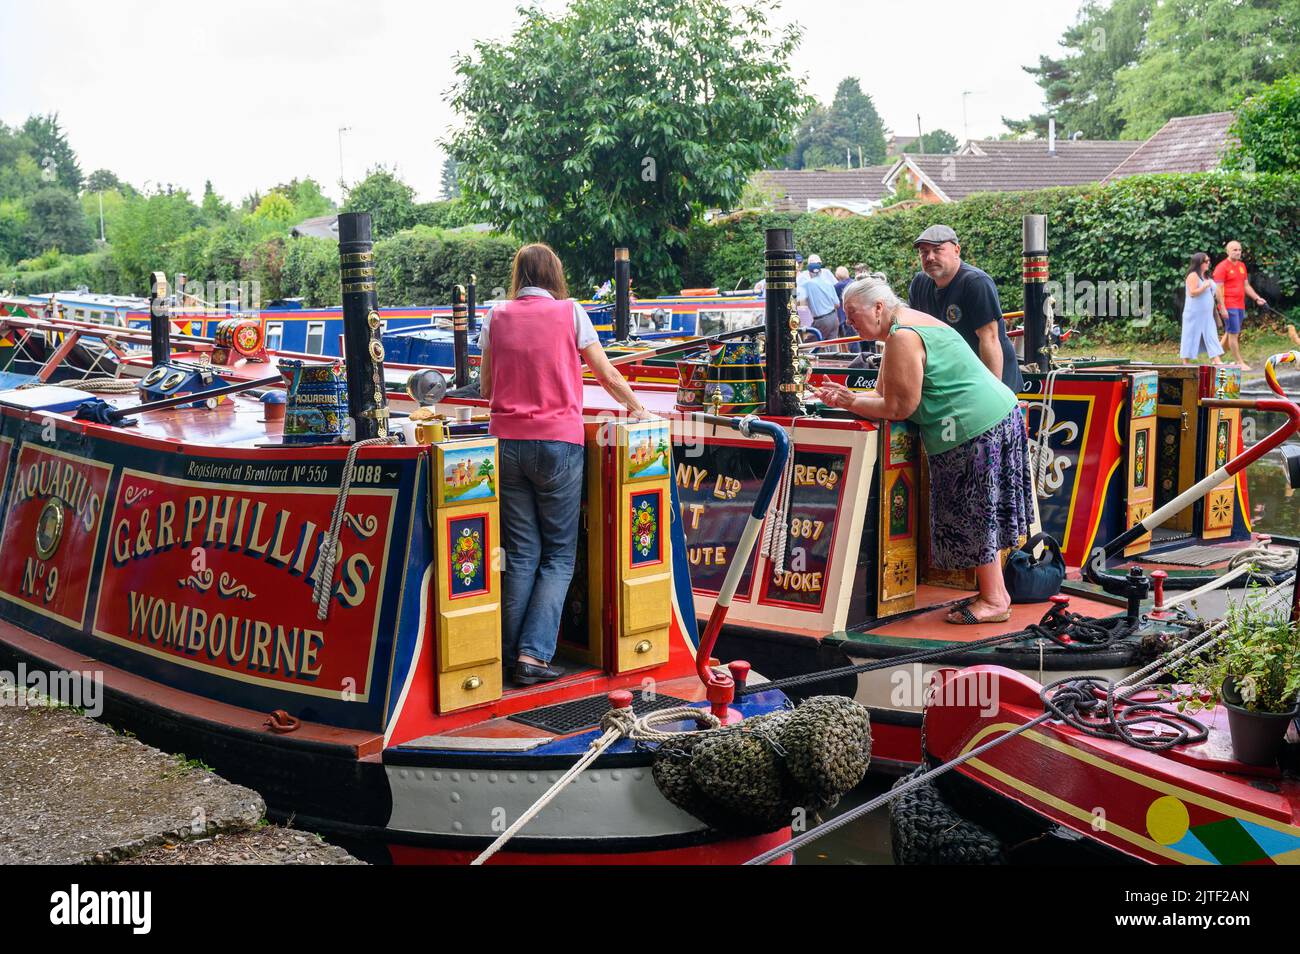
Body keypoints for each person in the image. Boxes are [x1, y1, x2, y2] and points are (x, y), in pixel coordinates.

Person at [478, 243, 651, 685]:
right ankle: (533, 656)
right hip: (558, 443)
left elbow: (485, 385)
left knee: (520, 554)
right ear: (555, 274)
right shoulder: (571, 312)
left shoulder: (494, 316)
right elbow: (606, 374)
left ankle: (503, 654)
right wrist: (640, 411)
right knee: (558, 556)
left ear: (519, 276)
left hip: (505, 445)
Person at [816, 276, 1033, 625]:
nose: (849, 322)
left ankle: (994, 599)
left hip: (974, 425)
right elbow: (882, 393)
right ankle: (994, 594)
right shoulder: (903, 326)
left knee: (974, 511)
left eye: (853, 314)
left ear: (878, 307)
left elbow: (900, 406)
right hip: (993, 416)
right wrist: (843, 398)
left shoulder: (902, 337)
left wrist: (851, 402)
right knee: (980, 510)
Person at [907, 225, 1023, 394]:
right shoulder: (919, 283)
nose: (930, 257)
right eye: (924, 252)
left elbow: (989, 339)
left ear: (957, 250)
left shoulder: (975, 282)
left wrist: (993, 393)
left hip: (992, 379)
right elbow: (913, 335)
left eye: (938, 250)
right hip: (954, 379)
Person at [1213, 240, 1267, 370]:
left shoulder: (1242, 265)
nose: (1238, 252)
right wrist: (1223, 307)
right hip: (1228, 305)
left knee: (1230, 331)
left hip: (1239, 304)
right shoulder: (1222, 267)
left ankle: (1215, 357)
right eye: (1234, 250)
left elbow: (1246, 285)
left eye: (1239, 250)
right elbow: (1218, 289)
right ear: (1227, 251)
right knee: (1233, 333)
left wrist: (1257, 298)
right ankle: (1239, 362)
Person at [1181, 252, 1225, 367]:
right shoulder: (1193, 275)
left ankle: (1217, 360)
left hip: (1206, 314)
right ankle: (1185, 362)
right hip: (1194, 314)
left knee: (1211, 334)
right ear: (1199, 263)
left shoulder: (1206, 276)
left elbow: (1215, 291)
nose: (1208, 263)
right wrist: (1204, 286)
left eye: (1209, 260)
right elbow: (1192, 293)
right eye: (1206, 261)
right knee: (1190, 335)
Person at [798, 253, 841, 343]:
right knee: (832, 347)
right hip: (834, 318)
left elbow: (797, 300)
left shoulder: (806, 285)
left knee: (808, 346)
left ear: (809, 273)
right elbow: (837, 304)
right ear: (820, 271)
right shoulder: (829, 283)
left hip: (821, 320)